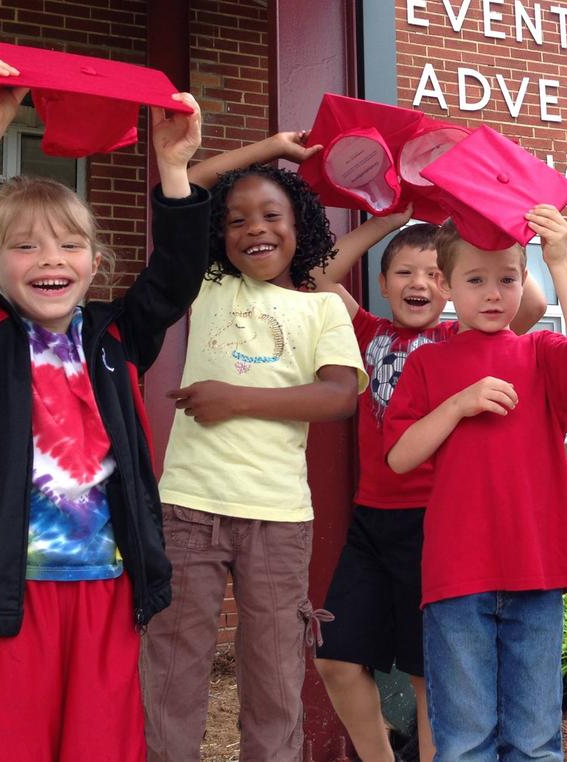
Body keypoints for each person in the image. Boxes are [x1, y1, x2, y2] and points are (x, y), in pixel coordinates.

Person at [0, 55, 208, 761]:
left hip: (107, 589)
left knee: (101, 748)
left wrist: (174, 166)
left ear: (94, 261)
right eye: (25, 246)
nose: (53, 258)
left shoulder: (113, 339)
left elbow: (174, 278)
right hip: (6, 594)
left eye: (71, 244)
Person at [141, 145, 368, 761]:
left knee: (273, 675)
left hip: (278, 516)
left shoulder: (323, 306)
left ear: (300, 227)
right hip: (188, 506)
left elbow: (338, 395)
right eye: (236, 220)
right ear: (220, 235)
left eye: (271, 216)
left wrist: (233, 398)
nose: (255, 230)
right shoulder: (210, 284)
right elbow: (183, 181)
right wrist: (271, 150)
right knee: (171, 668)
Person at [308, 208, 546, 762]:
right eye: (403, 274)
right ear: (384, 285)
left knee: (427, 674)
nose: (419, 284)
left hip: (438, 522)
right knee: (335, 659)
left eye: (434, 274)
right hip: (372, 520)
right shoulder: (367, 331)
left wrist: (478, 222)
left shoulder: (459, 338)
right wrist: (392, 218)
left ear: (451, 284)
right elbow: (321, 274)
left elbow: (530, 305)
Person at [383, 206, 567, 760]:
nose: (492, 293)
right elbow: (399, 457)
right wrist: (458, 404)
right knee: (463, 741)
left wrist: (559, 261)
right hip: (457, 575)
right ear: (445, 284)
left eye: (507, 278)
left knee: (535, 740)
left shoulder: (540, 353)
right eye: (475, 280)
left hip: (535, 569)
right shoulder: (428, 365)